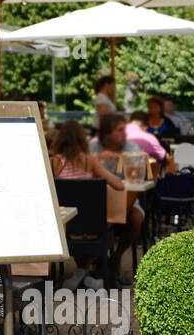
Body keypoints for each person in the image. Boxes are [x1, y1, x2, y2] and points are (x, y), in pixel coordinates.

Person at [50, 120, 127, 289]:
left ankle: (81, 272)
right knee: (100, 219)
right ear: (83, 140)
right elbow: (119, 185)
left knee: (78, 221)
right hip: (93, 228)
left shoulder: (54, 163)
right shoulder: (89, 162)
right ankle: (85, 272)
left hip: (65, 227)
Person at [88, 113, 145, 282]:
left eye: (124, 130)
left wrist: (123, 160)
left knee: (136, 218)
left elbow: (137, 175)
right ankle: (91, 264)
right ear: (107, 133)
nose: (124, 134)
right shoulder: (93, 148)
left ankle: (117, 256)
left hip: (126, 201)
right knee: (86, 219)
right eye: (119, 130)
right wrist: (99, 161)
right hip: (96, 202)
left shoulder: (132, 148)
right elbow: (83, 174)